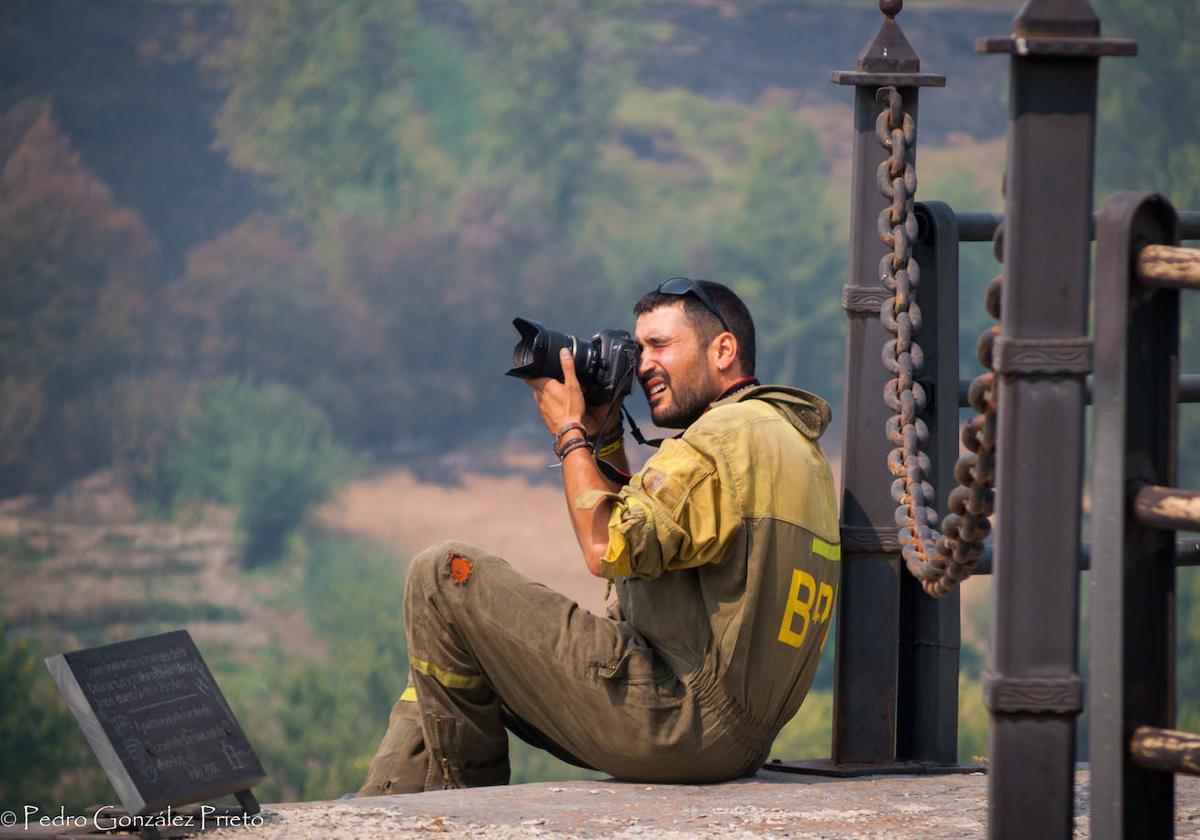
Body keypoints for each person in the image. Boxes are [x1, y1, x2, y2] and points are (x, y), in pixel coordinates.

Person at [358, 278, 839, 794]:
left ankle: (449, 812)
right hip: (734, 734)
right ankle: (382, 804)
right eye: (638, 349)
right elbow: (650, 540)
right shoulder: (787, 444)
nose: (644, 364)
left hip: (678, 717)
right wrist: (604, 436)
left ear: (723, 350)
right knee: (461, 638)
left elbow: (606, 546)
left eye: (660, 345)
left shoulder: (718, 440)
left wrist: (569, 434)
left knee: (442, 578)